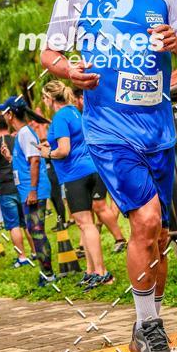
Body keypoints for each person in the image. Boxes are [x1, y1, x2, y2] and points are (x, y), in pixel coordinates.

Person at [41, 0, 177, 352]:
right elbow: (48, 52)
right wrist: (70, 70)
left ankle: (146, 322)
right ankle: (152, 332)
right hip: (109, 131)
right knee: (145, 221)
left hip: (158, 128)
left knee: (160, 236)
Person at [41, 80, 113, 291]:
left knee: (85, 224)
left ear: (51, 99)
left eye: (44, 98)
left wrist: (48, 153)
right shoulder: (74, 111)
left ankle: (102, 273)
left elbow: (64, 150)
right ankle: (91, 271)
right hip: (91, 169)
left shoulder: (60, 117)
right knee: (85, 223)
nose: (44, 102)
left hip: (75, 175)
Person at [0, 97, 56, 286]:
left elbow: (35, 161)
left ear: (11, 114)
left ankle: (48, 274)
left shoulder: (24, 134)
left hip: (33, 191)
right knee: (34, 229)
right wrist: (10, 159)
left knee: (37, 231)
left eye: (4, 112)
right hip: (26, 190)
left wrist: (32, 190)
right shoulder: (21, 134)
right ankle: (46, 271)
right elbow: (25, 163)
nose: (3, 116)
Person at [74, 87, 126, 252]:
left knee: (99, 206)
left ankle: (120, 239)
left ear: (81, 99)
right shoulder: (83, 116)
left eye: (76, 100)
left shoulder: (96, 113)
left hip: (103, 164)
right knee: (92, 208)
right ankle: (84, 245)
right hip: (95, 165)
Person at [0, 118, 35, 266]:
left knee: (13, 225)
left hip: (5, 187)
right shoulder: (16, 139)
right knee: (26, 223)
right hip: (20, 185)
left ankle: (22, 257)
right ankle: (35, 252)